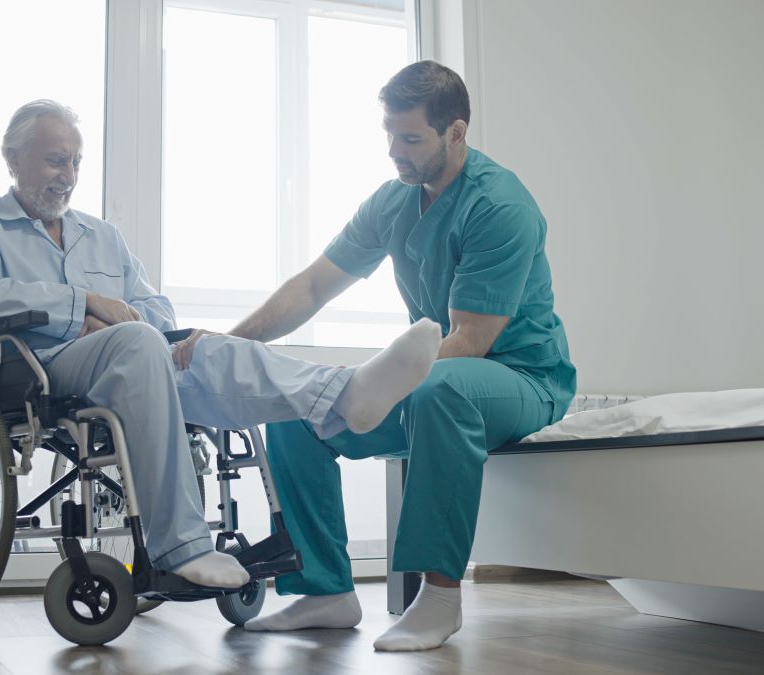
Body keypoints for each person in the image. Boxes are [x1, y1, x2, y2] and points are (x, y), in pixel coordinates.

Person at [0, 99, 443, 592]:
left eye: (76, 161)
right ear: (13, 158)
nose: (69, 175)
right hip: (40, 370)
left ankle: (345, 394)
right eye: (56, 159)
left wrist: (129, 324)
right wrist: (85, 308)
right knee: (137, 342)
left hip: (132, 363)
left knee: (209, 348)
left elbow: (155, 309)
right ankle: (183, 546)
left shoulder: (101, 236)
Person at [176, 61, 576, 650]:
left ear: (456, 132)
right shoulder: (394, 200)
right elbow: (312, 286)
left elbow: (471, 342)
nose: (395, 150)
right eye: (389, 134)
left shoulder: (500, 206)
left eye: (411, 139)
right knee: (297, 408)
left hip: (521, 378)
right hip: (440, 371)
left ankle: (438, 597)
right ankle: (324, 591)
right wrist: (232, 341)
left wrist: (375, 386)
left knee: (444, 389)